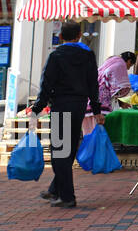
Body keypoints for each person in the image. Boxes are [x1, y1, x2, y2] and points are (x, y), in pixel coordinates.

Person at [29, 20, 102, 209]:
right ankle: (56, 189)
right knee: (68, 150)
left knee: (60, 151)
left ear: (61, 36)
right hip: (79, 106)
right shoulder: (88, 55)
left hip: (61, 105)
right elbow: (93, 84)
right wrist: (96, 110)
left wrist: (37, 108)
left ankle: (67, 196)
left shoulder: (57, 55)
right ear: (79, 35)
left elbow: (47, 84)